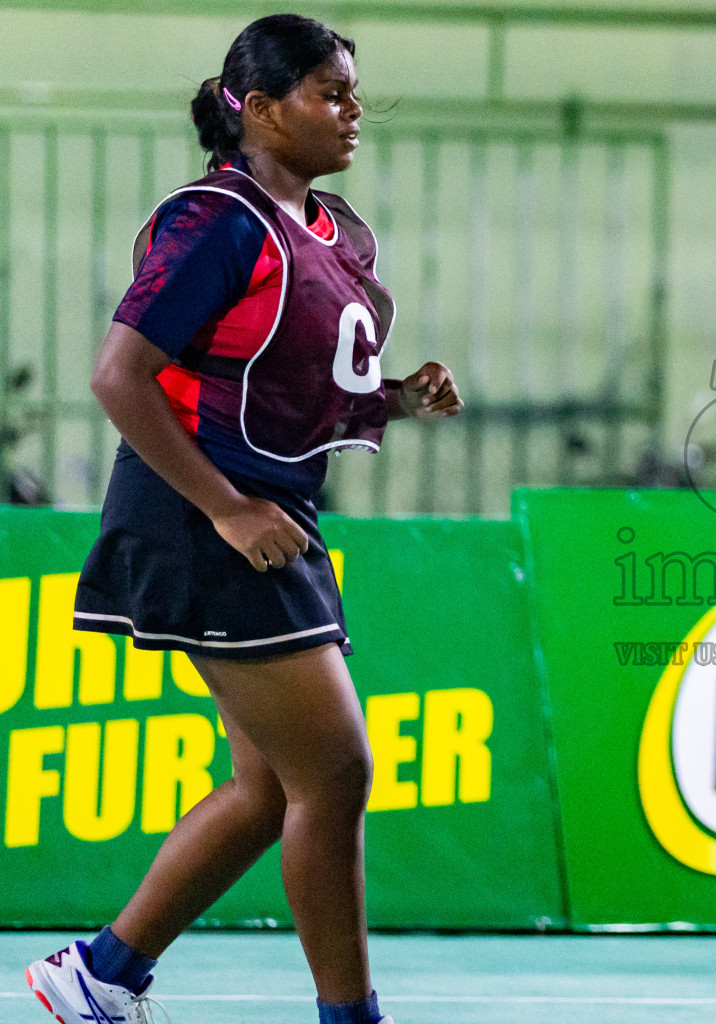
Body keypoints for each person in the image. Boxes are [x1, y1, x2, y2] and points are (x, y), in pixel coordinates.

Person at [24, 15, 461, 1024]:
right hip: (198, 511)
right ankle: (350, 1016)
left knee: (271, 789)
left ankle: (102, 971)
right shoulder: (213, 220)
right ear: (260, 111)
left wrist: (398, 396)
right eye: (328, 94)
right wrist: (222, 507)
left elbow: (300, 390)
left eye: (352, 91)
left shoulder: (331, 230)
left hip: (270, 510)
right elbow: (117, 377)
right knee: (338, 771)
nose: (352, 112)